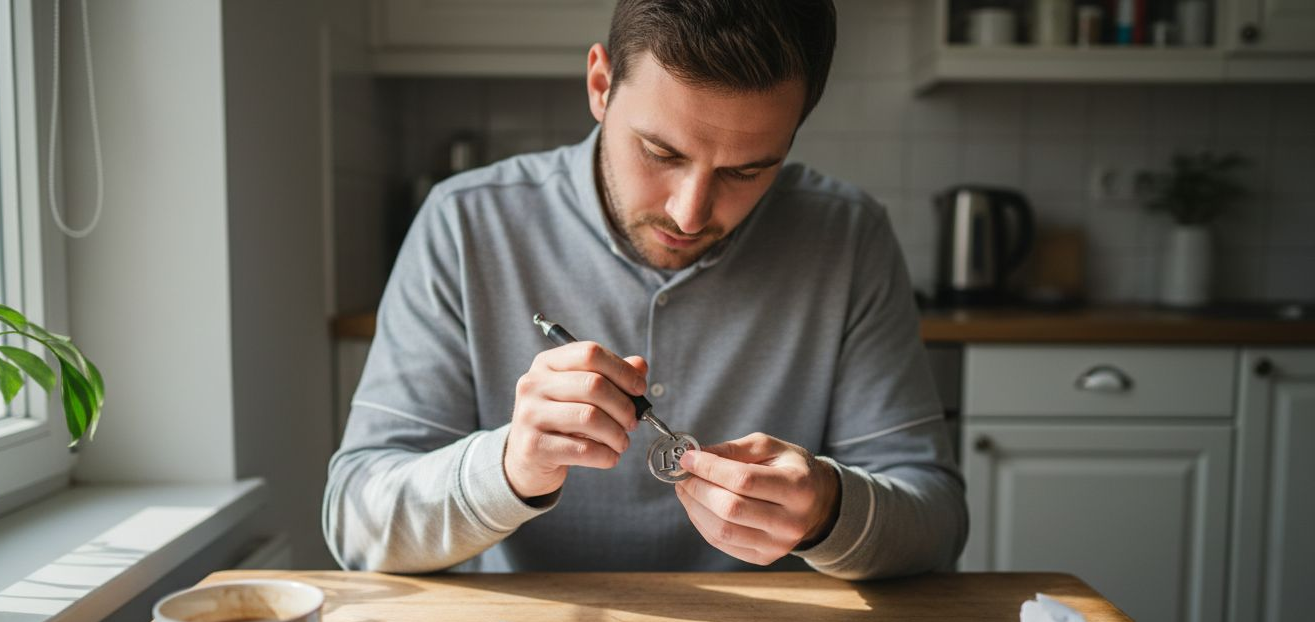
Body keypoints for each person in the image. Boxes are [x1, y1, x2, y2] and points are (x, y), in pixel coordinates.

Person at [323, 0, 966, 579]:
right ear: (600, 85)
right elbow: (356, 524)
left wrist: (830, 510)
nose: (690, 213)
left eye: (747, 170)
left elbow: (938, 526)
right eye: (661, 153)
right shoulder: (465, 223)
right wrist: (509, 467)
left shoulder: (848, 238)